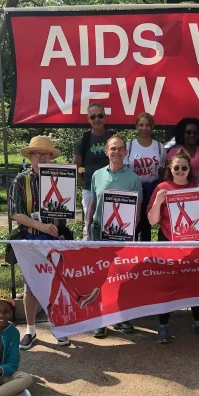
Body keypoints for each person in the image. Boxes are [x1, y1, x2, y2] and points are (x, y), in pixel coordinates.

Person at [9, 136, 72, 350]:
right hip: (30, 239)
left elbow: (67, 210)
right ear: (31, 157)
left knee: (54, 284)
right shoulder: (20, 180)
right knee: (31, 286)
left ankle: (57, 327)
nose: (43, 157)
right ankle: (30, 329)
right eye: (38, 153)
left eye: (46, 154)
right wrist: (42, 226)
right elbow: (15, 213)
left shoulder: (62, 177)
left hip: (54, 239)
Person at [147, 149, 199, 343]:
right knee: (167, 284)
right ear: (170, 168)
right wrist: (159, 201)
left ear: (189, 169)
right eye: (176, 167)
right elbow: (152, 222)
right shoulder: (162, 187)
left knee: (195, 283)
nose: (180, 171)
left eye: (184, 168)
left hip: (193, 242)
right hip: (168, 241)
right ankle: (163, 325)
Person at [85, 134, 143, 338]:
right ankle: (100, 319)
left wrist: (131, 232)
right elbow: (93, 202)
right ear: (106, 151)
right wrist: (87, 227)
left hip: (122, 234)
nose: (117, 152)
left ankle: (119, 317)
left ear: (126, 152)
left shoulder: (134, 178)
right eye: (113, 148)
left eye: (121, 149)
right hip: (99, 230)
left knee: (120, 276)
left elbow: (137, 209)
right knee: (99, 276)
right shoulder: (97, 175)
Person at [73, 103, 115, 236]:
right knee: (89, 222)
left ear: (105, 117)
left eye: (100, 116)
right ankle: (89, 250)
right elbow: (76, 165)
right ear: (88, 119)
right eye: (93, 116)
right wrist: (83, 182)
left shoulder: (113, 138)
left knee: (110, 221)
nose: (97, 119)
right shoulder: (84, 140)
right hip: (89, 189)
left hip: (111, 187)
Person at [124, 112, 166, 241]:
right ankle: (130, 255)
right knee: (132, 224)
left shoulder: (159, 147)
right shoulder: (129, 146)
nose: (144, 128)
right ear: (136, 127)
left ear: (152, 126)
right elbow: (125, 169)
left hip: (151, 189)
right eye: (141, 125)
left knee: (147, 226)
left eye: (147, 125)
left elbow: (162, 171)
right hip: (134, 189)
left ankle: (145, 255)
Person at [167, 118, 199, 190]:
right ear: (182, 134)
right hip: (178, 193)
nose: (192, 135)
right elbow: (167, 176)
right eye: (188, 132)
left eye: (195, 133)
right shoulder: (173, 152)